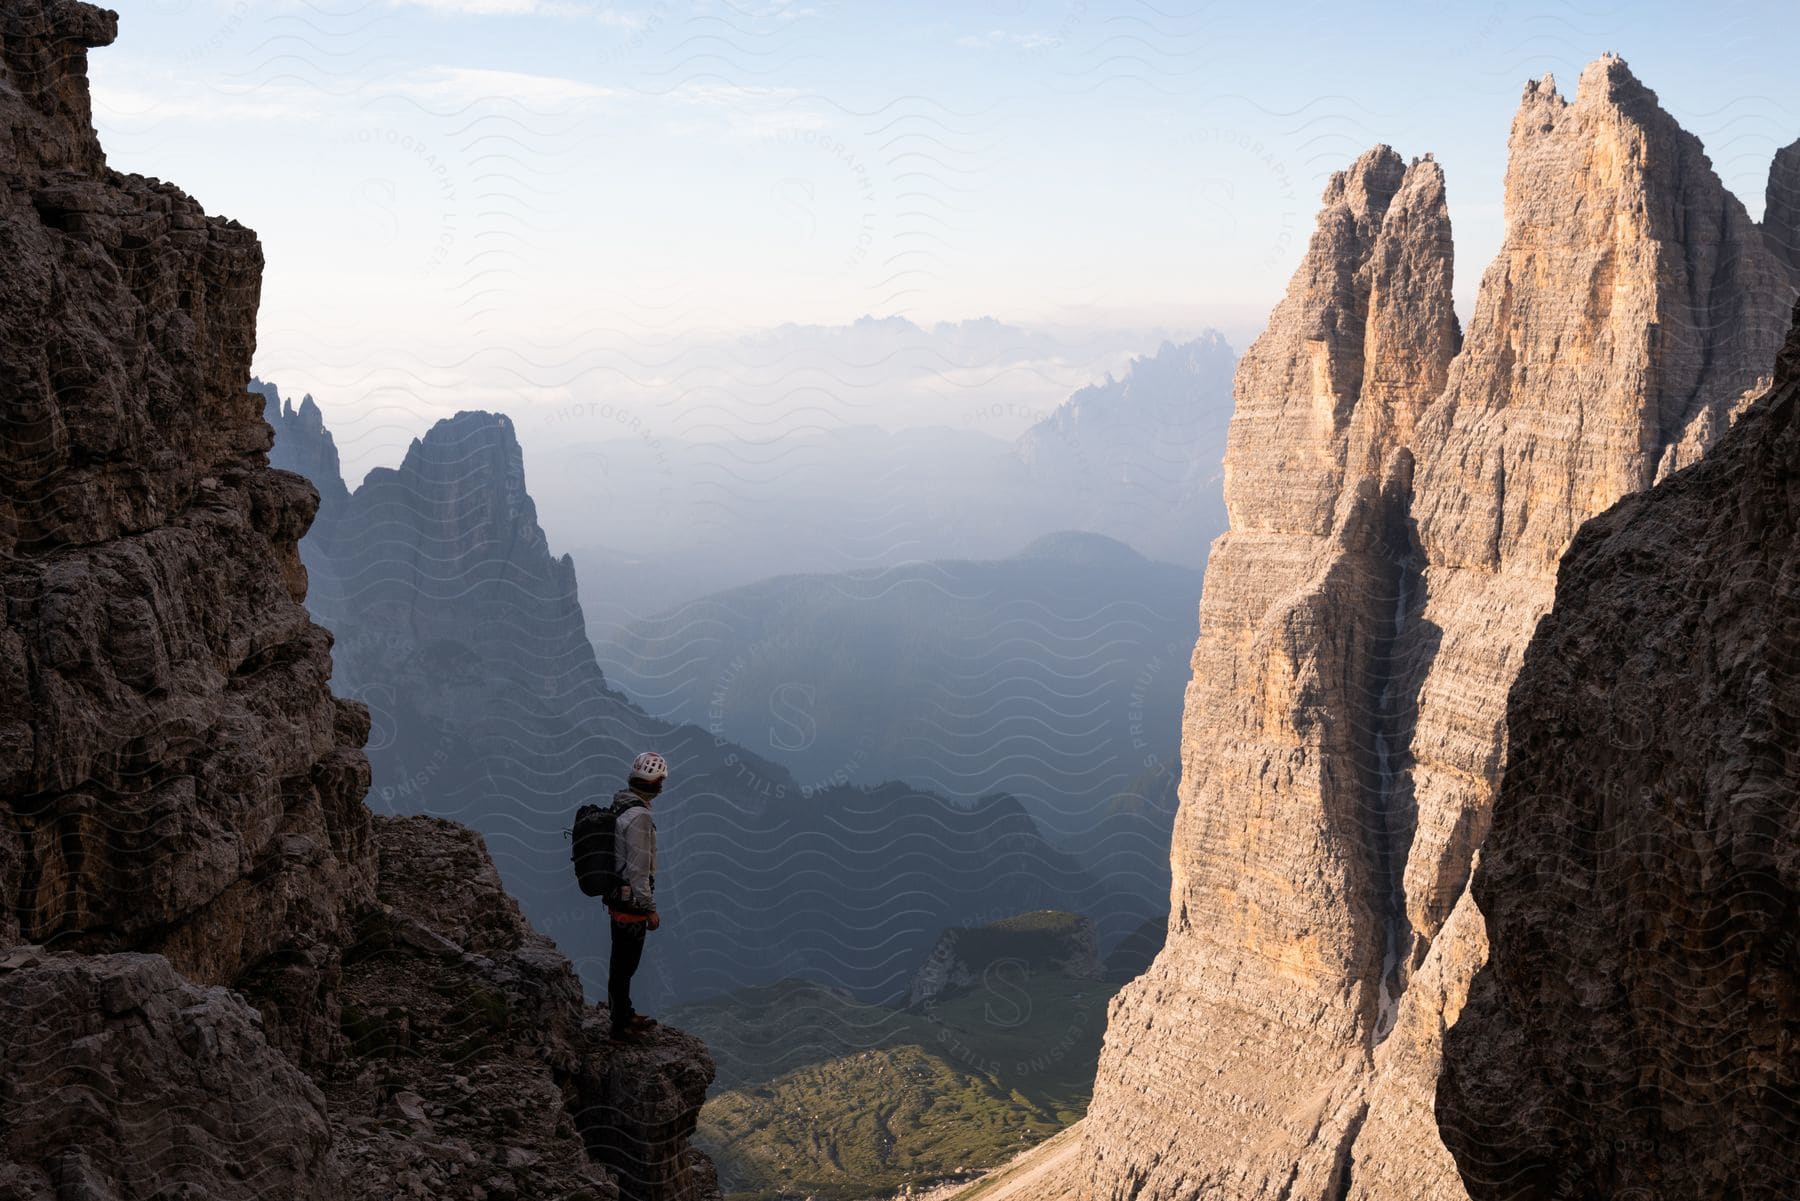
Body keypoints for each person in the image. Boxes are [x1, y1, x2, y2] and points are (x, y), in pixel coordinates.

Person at [607, 750, 665, 1043]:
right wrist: (650, 909)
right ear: (656, 785)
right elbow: (639, 870)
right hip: (631, 903)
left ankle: (624, 1013)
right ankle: (620, 1026)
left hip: (617, 896)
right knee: (625, 965)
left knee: (621, 963)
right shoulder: (640, 817)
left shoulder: (621, 804)